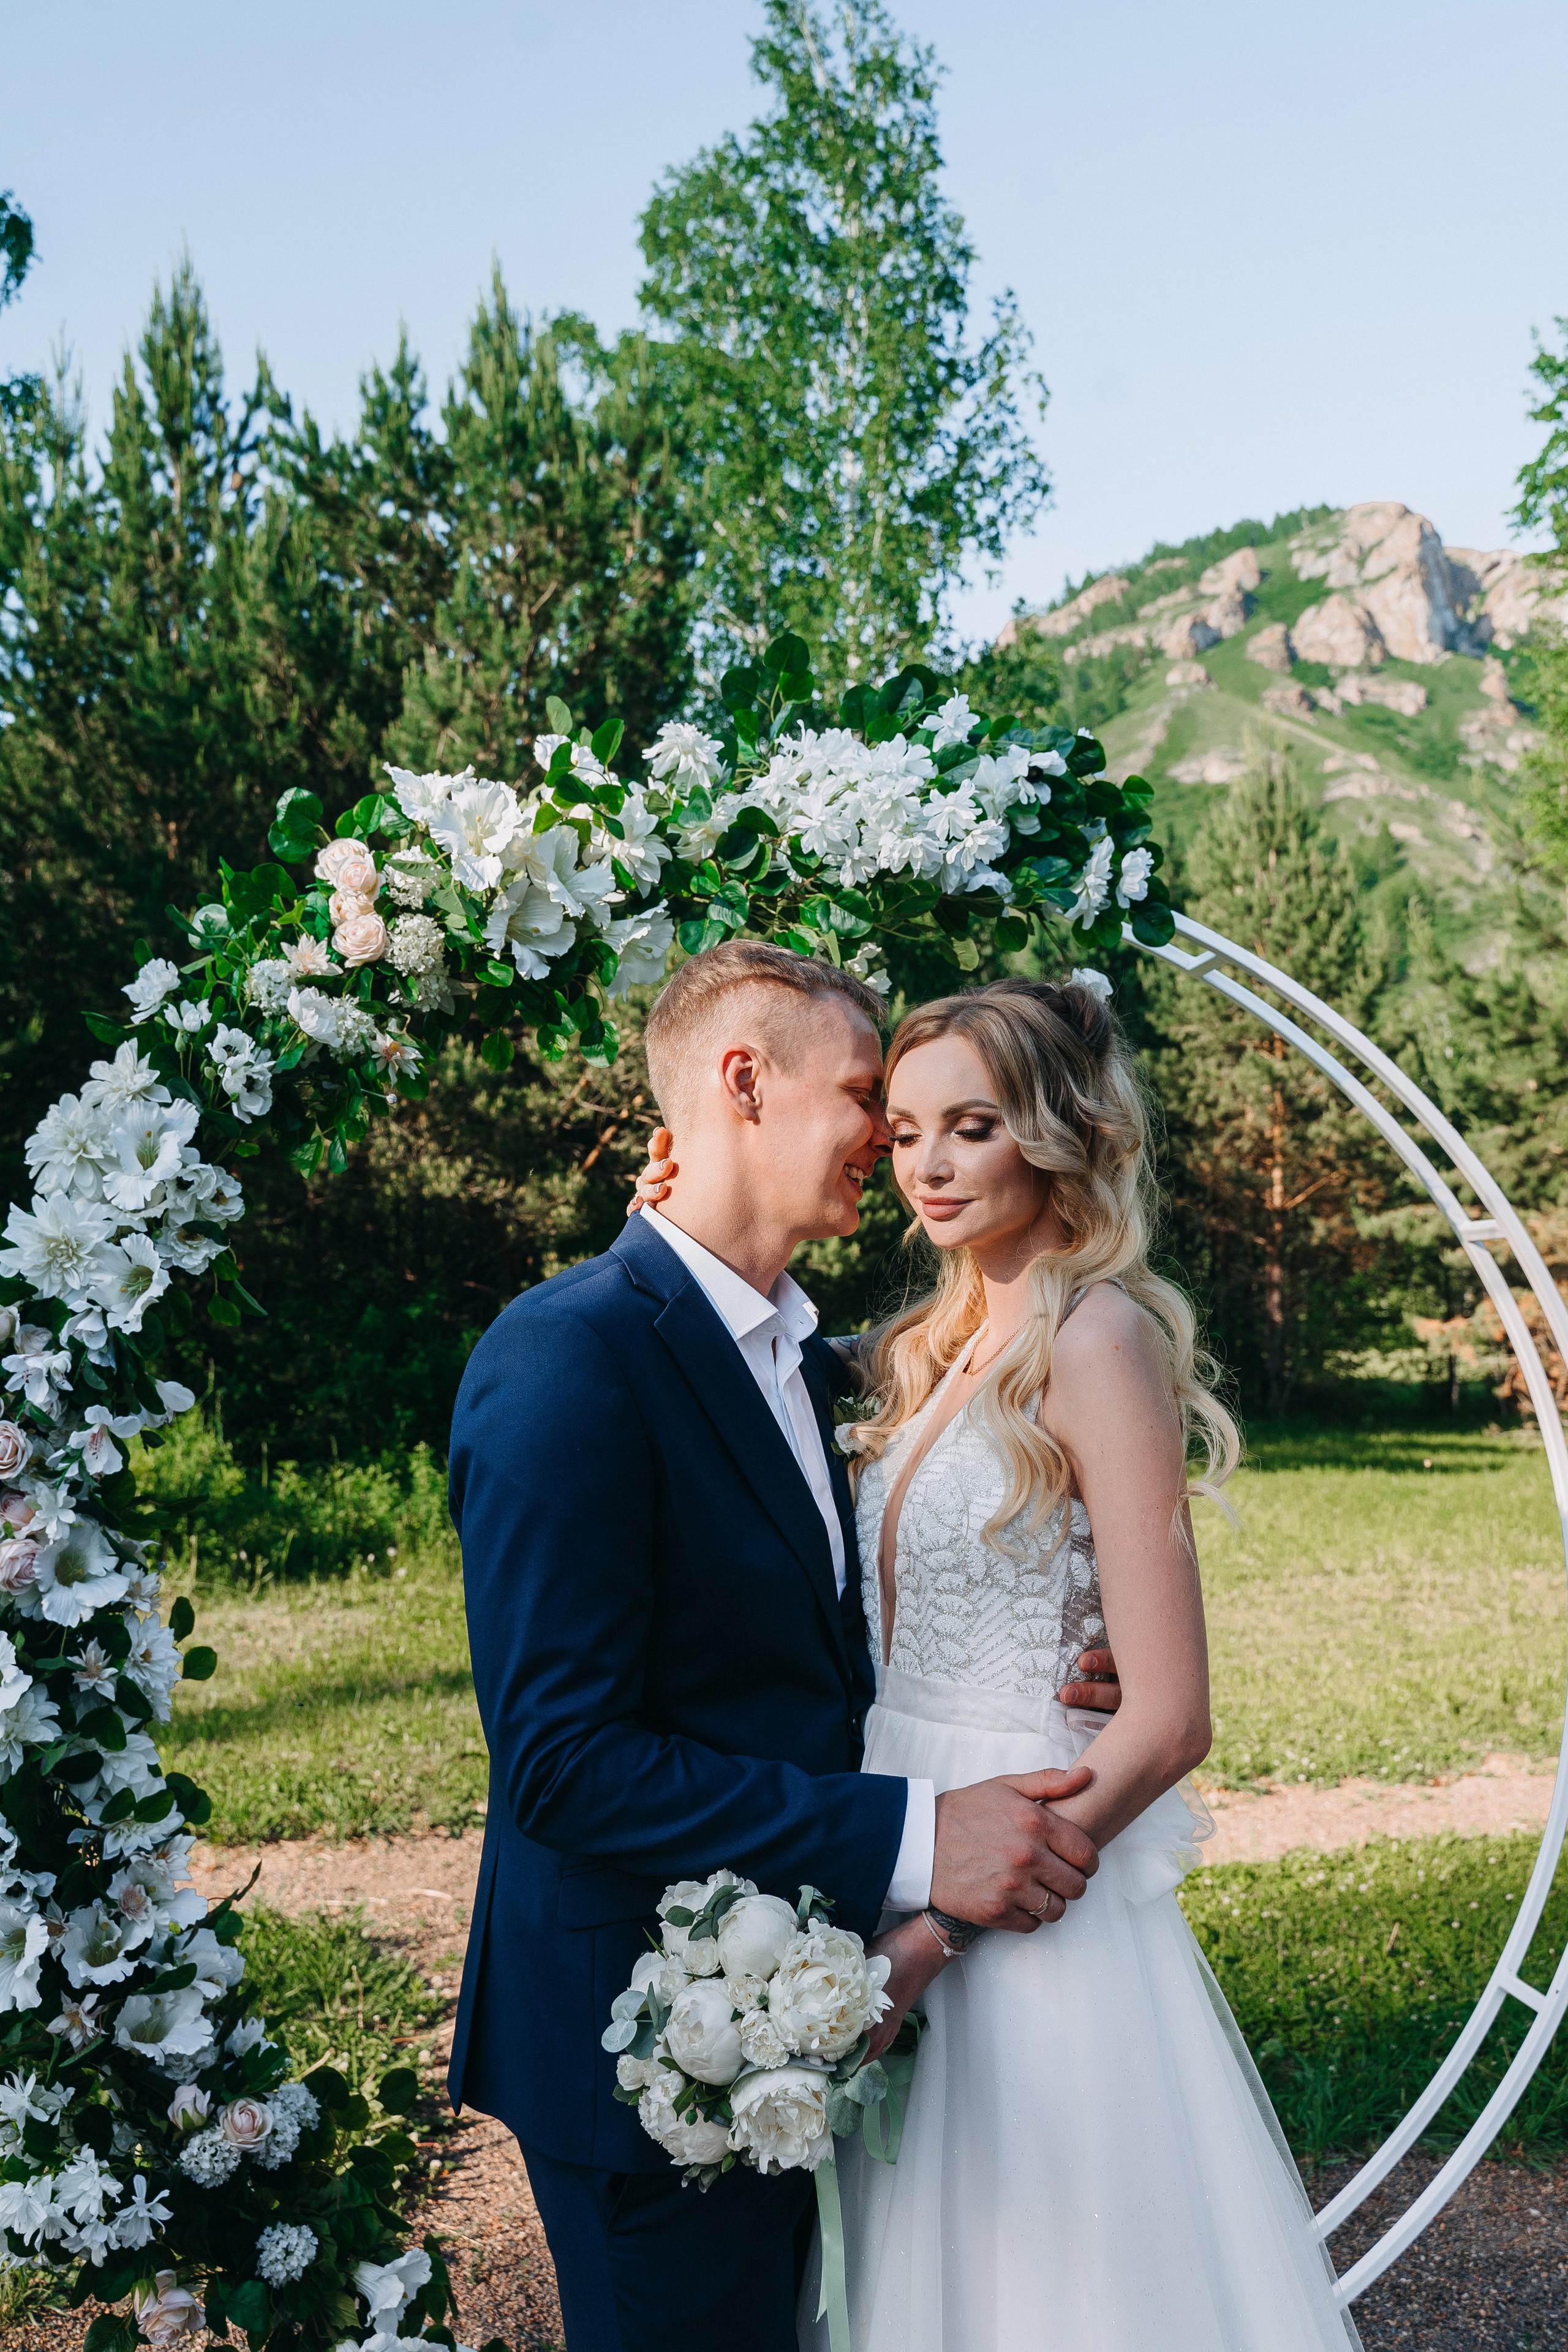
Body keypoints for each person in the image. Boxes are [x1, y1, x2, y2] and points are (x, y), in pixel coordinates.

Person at [446, 943, 1120, 2352]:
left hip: (810, 2007)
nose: (890, 1136)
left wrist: (1055, 1655)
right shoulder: (566, 1357)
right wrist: (920, 1837)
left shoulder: (821, 1364)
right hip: (641, 2044)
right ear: (742, 1082)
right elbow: (563, 1766)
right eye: (867, 1094)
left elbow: (841, 1628)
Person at [782, 976, 1359, 2352]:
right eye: (904, 1128)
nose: (924, 1164)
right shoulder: (924, 1351)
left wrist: (935, 1936)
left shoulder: (1095, 1342)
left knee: (1059, 2283)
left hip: (1025, 1881)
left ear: (1049, 1139)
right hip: (898, 1812)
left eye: (969, 1127)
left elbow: (1164, 1717)